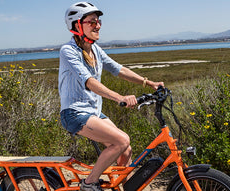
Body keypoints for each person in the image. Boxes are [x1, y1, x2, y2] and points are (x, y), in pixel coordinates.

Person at [59, 2, 164, 191]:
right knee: (122, 140)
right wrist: (118, 97)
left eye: (98, 21)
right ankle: (89, 183)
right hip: (74, 113)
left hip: (93, 112)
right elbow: (89, 81)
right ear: (77, 25)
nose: (98, 25)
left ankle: (124, 188)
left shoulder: (95, 50)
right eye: (91, 22)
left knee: (126, 150)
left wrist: (149, 83)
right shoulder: (68, 51)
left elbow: (118, 69)